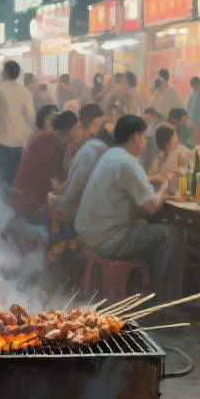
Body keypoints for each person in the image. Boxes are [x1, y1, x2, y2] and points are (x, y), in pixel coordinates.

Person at [75, 114, 177, 294]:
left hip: (91, 234)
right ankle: (159, 296)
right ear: (134, 137)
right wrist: (164, 188)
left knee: (145, 226)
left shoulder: (110, 155)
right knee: (168, 233)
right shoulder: (128, 162)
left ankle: (138, 287)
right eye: (144, 137)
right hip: (110, 240)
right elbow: (152, 207)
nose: (145, 142)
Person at [50, 105, 112, 217]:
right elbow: (73, 178)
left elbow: (76, 185)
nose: (98, 129)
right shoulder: (74, 145)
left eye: (99, 125)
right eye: (95, 125)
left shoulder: (92, 147)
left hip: (86, 206)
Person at [15, 109, 78, 219]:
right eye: (77, 128)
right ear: (71, 129)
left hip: (20, 196)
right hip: (37, 203)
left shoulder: (40, 137)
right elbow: (54, 181)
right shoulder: (61, 142)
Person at [0, 60, 36, 186]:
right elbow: (31, 118)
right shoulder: (25, 92)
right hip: (20, 142)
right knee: (16, 178)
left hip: (3, 140)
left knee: (0, 179)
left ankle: (2, 203)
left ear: (5, 73)